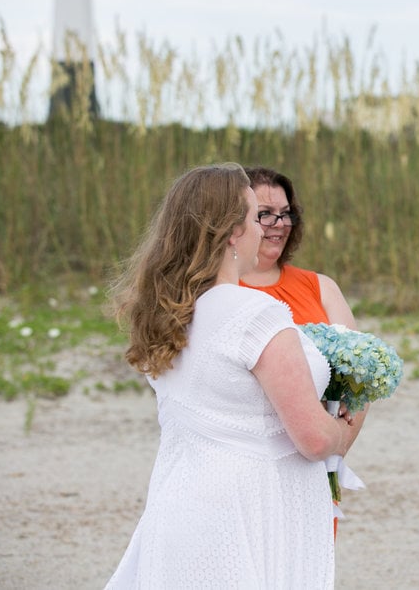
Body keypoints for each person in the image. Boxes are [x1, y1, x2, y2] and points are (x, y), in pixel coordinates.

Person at [106, 162, 360, 588]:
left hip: (180, 504)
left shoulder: (168, 313)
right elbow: (314, 440)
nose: (266, 229)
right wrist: (342, 431)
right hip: (252, 514)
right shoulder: (256, 315)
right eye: (254, 216)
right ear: (231, 232)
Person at [238, 165, 367, 453]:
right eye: (265, 213)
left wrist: (333, 452)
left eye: (285, 213)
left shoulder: (320, 287)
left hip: (320, 452)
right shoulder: (220, 292)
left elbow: (361, 373)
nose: (280, 223)